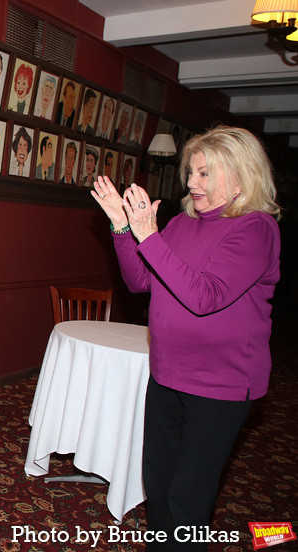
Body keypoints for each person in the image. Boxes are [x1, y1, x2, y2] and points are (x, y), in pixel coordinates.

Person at [91, 125, 281, 552]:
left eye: (204, 173)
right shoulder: (179, 224)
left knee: (187, 495)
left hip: (221, 385)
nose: (191, 182)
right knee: (158, 483)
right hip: (167, 374)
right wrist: (123, 229)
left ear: (240, 176)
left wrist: (149, 236)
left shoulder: (256, 228)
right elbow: (140, 280)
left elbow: (204, 297)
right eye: (190, 173)